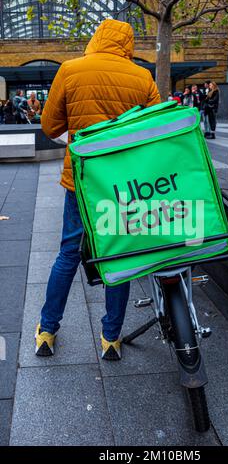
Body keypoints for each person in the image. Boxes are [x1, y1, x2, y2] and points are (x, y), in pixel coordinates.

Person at [35, 19, 160, 361]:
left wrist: (78, 128)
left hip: (81, 180)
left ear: (96, 39)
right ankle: (111, 338)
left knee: (68, 254)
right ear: (128, 44)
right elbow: (155, 131)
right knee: (117, 254)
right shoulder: (142, 77)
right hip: (123, 184)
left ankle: (47, 330)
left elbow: (50, 125)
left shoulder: (71, 69)